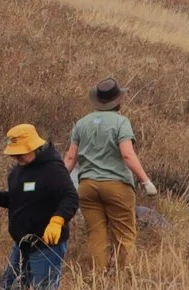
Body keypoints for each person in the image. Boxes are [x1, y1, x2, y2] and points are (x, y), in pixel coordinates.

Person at [64, 78, 157, 277]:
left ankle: (98, 279)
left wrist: (60, 182)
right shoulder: (121, 122)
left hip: (87, 186)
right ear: (117, 100)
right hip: (116, 186)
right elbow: (127, 154)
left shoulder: (81, 123)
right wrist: (145, 180)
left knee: (96, 235)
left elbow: (71, 157)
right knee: (124, 235)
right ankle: (125, 278)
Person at [0, 123, 75, 290]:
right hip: (21, 244)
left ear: (34, 146)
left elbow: (70, 197)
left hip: (46, 244)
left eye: (21, 152)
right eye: (15, 153)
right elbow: (16, 199)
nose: (17, 156)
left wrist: (57, 221)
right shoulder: (17, 172)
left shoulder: (53, 169)